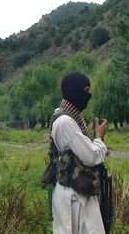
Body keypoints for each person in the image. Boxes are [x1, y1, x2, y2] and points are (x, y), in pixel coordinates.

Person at [49, 72, 109, 234]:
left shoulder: (70, 117)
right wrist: (99, 137)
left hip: (78, 191)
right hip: (74, 195)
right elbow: (91, 157)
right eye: (86, 90)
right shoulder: (65, 121)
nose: (88, 95)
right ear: (75, 91)